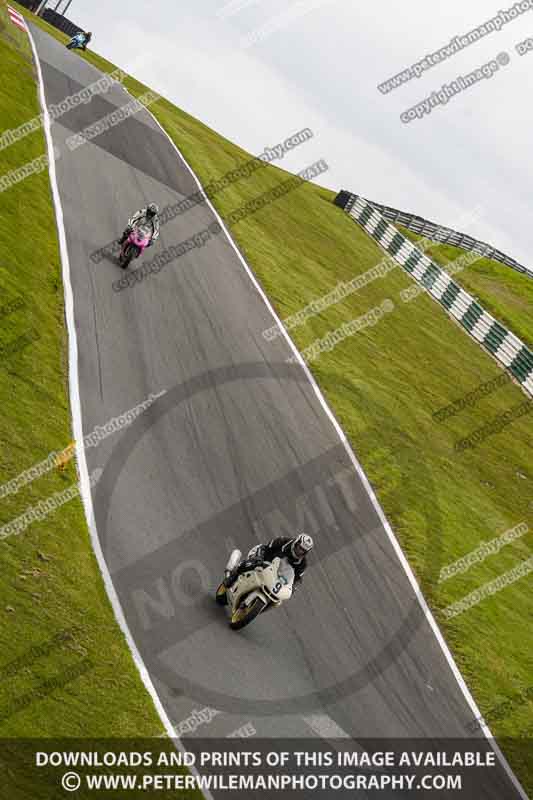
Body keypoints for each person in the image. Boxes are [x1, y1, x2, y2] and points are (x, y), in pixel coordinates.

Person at [220, 533, 314, 602]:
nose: (300, 551)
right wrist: (259, 558)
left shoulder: (303, 564)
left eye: (303, 551)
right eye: (299, 547)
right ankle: (231, 578)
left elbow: (298, 579)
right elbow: (266, 548)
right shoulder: (283, 541)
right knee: (252, 563)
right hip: (264, 560)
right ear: (296, 542)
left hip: (277, 575)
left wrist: (292, 588)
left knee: (278, 599)